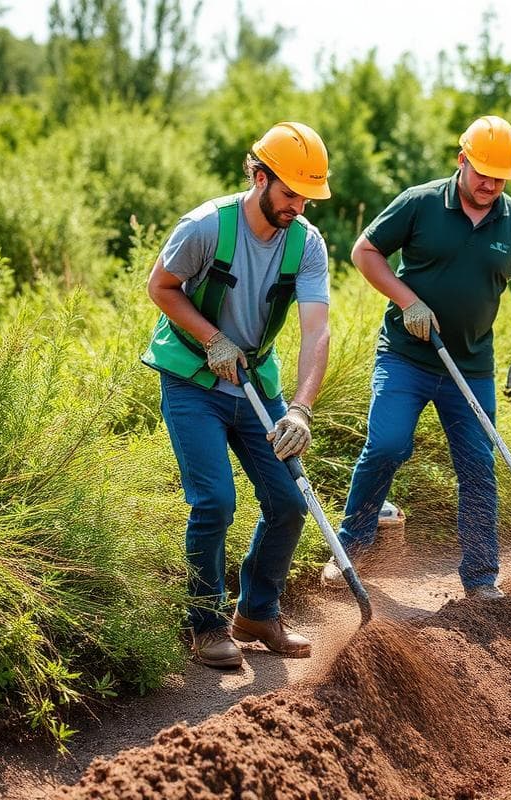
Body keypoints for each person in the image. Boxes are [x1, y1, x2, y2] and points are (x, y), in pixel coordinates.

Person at [321, 115, 511, 600]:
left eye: (499, 177)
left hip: (470, 367)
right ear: (461, 159)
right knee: (386, 445)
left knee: (477, 467)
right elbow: (365, 253)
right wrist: (408, 301)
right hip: (405, 356)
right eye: (482, 171)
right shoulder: (420, 203)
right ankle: (351, 551)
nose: (490, 184)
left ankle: (482, 578)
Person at [141, 122, 332, 669]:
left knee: (289, 501)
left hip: (254, 384)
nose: (298, 206)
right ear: (259, 175)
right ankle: (205, 624)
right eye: (290, 193)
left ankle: (257, 613)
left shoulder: (307, 243)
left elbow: (316, 330)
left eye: (307, 197)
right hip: (191, 379)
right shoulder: (205, 227)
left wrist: (300, 407)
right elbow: (160, 287)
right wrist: (212, 337)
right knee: (215, 501)